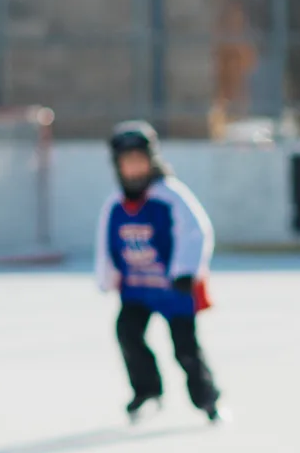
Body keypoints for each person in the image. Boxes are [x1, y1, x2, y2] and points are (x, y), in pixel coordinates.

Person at [95, 120, 223, 423]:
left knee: (186, 349)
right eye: (127, 163)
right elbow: (105, 242)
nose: (134, 169)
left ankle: (207, 399)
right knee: (127, 332)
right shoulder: (115, 203)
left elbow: (195, 232)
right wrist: (107, 277)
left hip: (172, 291)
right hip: (137, 289)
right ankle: (147, 391)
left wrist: (185, 271)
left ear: (152, 161)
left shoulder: (169, 195)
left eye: (140, 161)